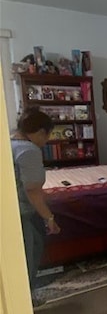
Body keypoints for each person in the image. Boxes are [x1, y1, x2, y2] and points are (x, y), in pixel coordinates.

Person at [11, 108, 61, 304]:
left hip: (18, 211)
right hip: (22, 212)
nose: (47, 141)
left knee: (31, 250)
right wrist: (50, 218)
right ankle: (23, 305)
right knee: (27, 258)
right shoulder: (29, 150)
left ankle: (26, 298)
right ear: (41, 132)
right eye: (48, 136)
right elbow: (32, 191)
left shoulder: (11, 141)